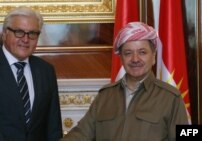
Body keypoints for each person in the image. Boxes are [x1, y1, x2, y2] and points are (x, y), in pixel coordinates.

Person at [60, 22, 188, 141]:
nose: (135, 59)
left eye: (142, 52)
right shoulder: (105, 96)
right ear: (121, 58)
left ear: (153, 56)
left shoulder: (171, 98)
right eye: (128, 53)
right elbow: (81, 134)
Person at [0, 6, 63, 141]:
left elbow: (53, 127)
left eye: (32, 33)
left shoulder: (46, 70)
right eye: (19, 32)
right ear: (4, 33)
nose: (26, 39)